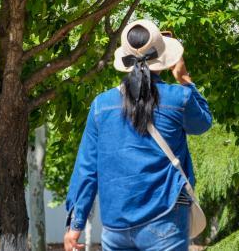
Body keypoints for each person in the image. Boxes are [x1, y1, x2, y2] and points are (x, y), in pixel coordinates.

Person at [63, 19, 212, 251]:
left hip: (115, 225)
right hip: (165, 217)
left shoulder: (101, 105)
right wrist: (184, 79)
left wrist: (75, 225)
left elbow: (87, 167)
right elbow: (202, 123)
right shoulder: (178, 98)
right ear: (165, 58)